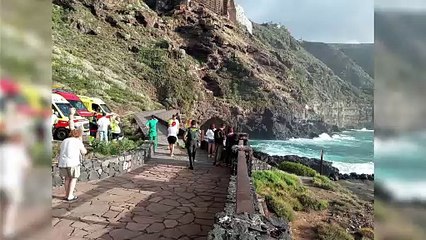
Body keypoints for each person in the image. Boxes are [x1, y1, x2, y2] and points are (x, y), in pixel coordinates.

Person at [0, 131, 31, 238]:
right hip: (12, 183)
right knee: (11, 206)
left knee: (3, 205)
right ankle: (7, 230)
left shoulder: (2, 149)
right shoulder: (19, 151)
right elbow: (26, 167)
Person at [58, 129, 87, 201]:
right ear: (79, 135)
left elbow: (60, 149)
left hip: (63, 162)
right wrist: (81, 142)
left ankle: (67, 195)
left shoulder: (64, 141)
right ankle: (70, 195)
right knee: (73, 178)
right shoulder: (77, 141)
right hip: (73, 162)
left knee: (67, 178)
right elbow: (84, 152)